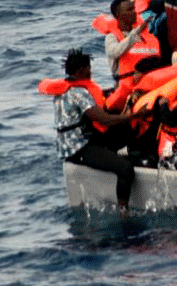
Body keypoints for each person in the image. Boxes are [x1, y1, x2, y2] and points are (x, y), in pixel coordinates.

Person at [48, 49, 137, 208]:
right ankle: (124, 211)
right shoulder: (79, 93)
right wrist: (134, 115)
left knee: (123, 139)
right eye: (89, 68)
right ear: (81, 70)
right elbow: (106, 119)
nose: (91, 71)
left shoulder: (64, 89)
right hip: (78, 149)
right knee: (125, 169)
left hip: (70, 143)